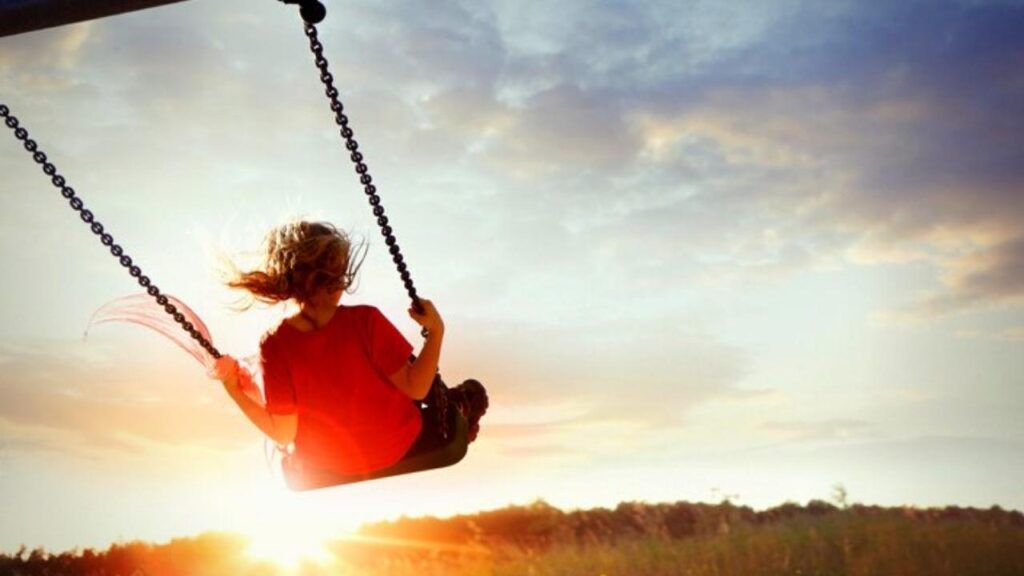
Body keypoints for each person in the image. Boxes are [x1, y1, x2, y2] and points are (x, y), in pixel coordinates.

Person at [213, 220, 487, 476]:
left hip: (329, 462)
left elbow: (283, 433)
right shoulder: (365, 321)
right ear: (337, 278)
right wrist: (436, 332)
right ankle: (458, 404)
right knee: (407, 379)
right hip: (395, 443)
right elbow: (416, 386)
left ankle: (455, 401)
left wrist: (232, 387)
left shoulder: (273, 344)